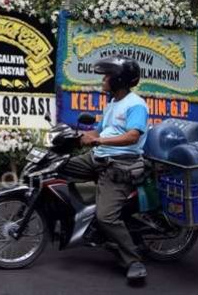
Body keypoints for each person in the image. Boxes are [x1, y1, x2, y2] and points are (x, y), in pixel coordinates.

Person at [61, 55, 149, 281]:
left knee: (106, 217)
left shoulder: (136, 105)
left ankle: (133, 260)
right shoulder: (112, 103)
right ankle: (73, 220)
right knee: (59, 168)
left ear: (119, 80)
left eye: (107, 76)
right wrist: (74, 137)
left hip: (119, 164)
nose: (103, 80)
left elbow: (132, 136)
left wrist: (100, 142)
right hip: (98, 157)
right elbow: (98, 132)